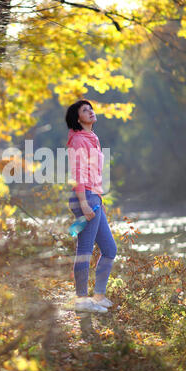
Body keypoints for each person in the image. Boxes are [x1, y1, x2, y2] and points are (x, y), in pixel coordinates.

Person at [66, 99, 117, 313]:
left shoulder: (92, 138)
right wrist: (84, 203)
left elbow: (95, 174)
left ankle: (98, 296)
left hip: (94, 197)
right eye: (85, 111)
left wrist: (98, 200)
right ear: (78, 118)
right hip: (84, 197)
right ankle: (81, 300)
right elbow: (79, 174)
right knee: (85, 250)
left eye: (91, 109)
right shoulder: (78, 139)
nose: (90, 112)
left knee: (110, 249)